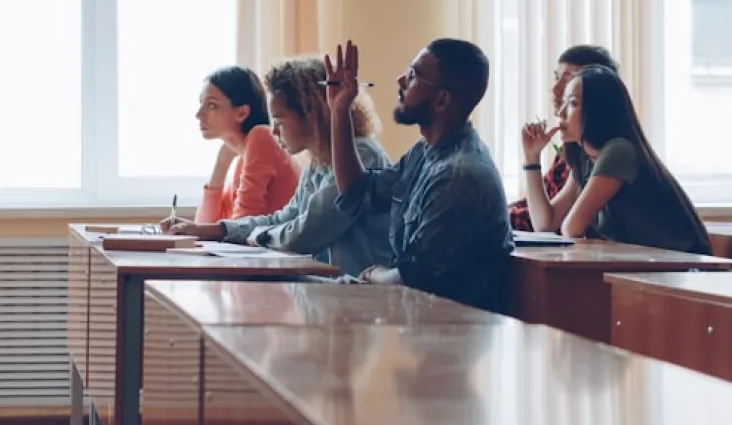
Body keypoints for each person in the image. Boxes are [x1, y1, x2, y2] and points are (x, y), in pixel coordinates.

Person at [326, 39, 514, 312]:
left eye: (413, 75)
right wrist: (340, 110)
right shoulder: (426, 152)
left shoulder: (457, 178)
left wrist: (371, 274)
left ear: (441, 100)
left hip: (452, 334)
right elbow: (358, 192)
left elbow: (411, 281)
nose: (400, 80)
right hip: (416, 322)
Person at [168, 57, 394, 276]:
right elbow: (284, 218)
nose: (274, 131)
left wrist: (257, 236)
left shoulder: (361, 155)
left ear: (311, 115)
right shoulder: (319, 162)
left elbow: (308, 231)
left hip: (357, 295)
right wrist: (213, 230)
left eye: (279, 121)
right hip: (328, 289)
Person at [520, 65, 712, 254]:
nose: (560, 112)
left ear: (597, 110)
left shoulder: (619, 151)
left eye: (572, 103)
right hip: (647, 267)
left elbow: (572, 227)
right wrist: (532, 157)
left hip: (682, 268)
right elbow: (545, 224)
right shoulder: (587, 158)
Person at [507, 45, 620, 231]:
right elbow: (545, 223)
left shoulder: (615, 151)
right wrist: (531, 158)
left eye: (568, 79)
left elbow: (567, 226)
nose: (556, 89)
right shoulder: (581, 152)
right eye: (556, 77)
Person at [190, 66, 301, 223]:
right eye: (201, 103)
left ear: (242, 113)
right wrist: (222, 162)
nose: (199, 114)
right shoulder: (243, 157)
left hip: (281, 247)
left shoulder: (262, 136)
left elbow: (241, 224)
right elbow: (204, 224)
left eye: (212, 105)